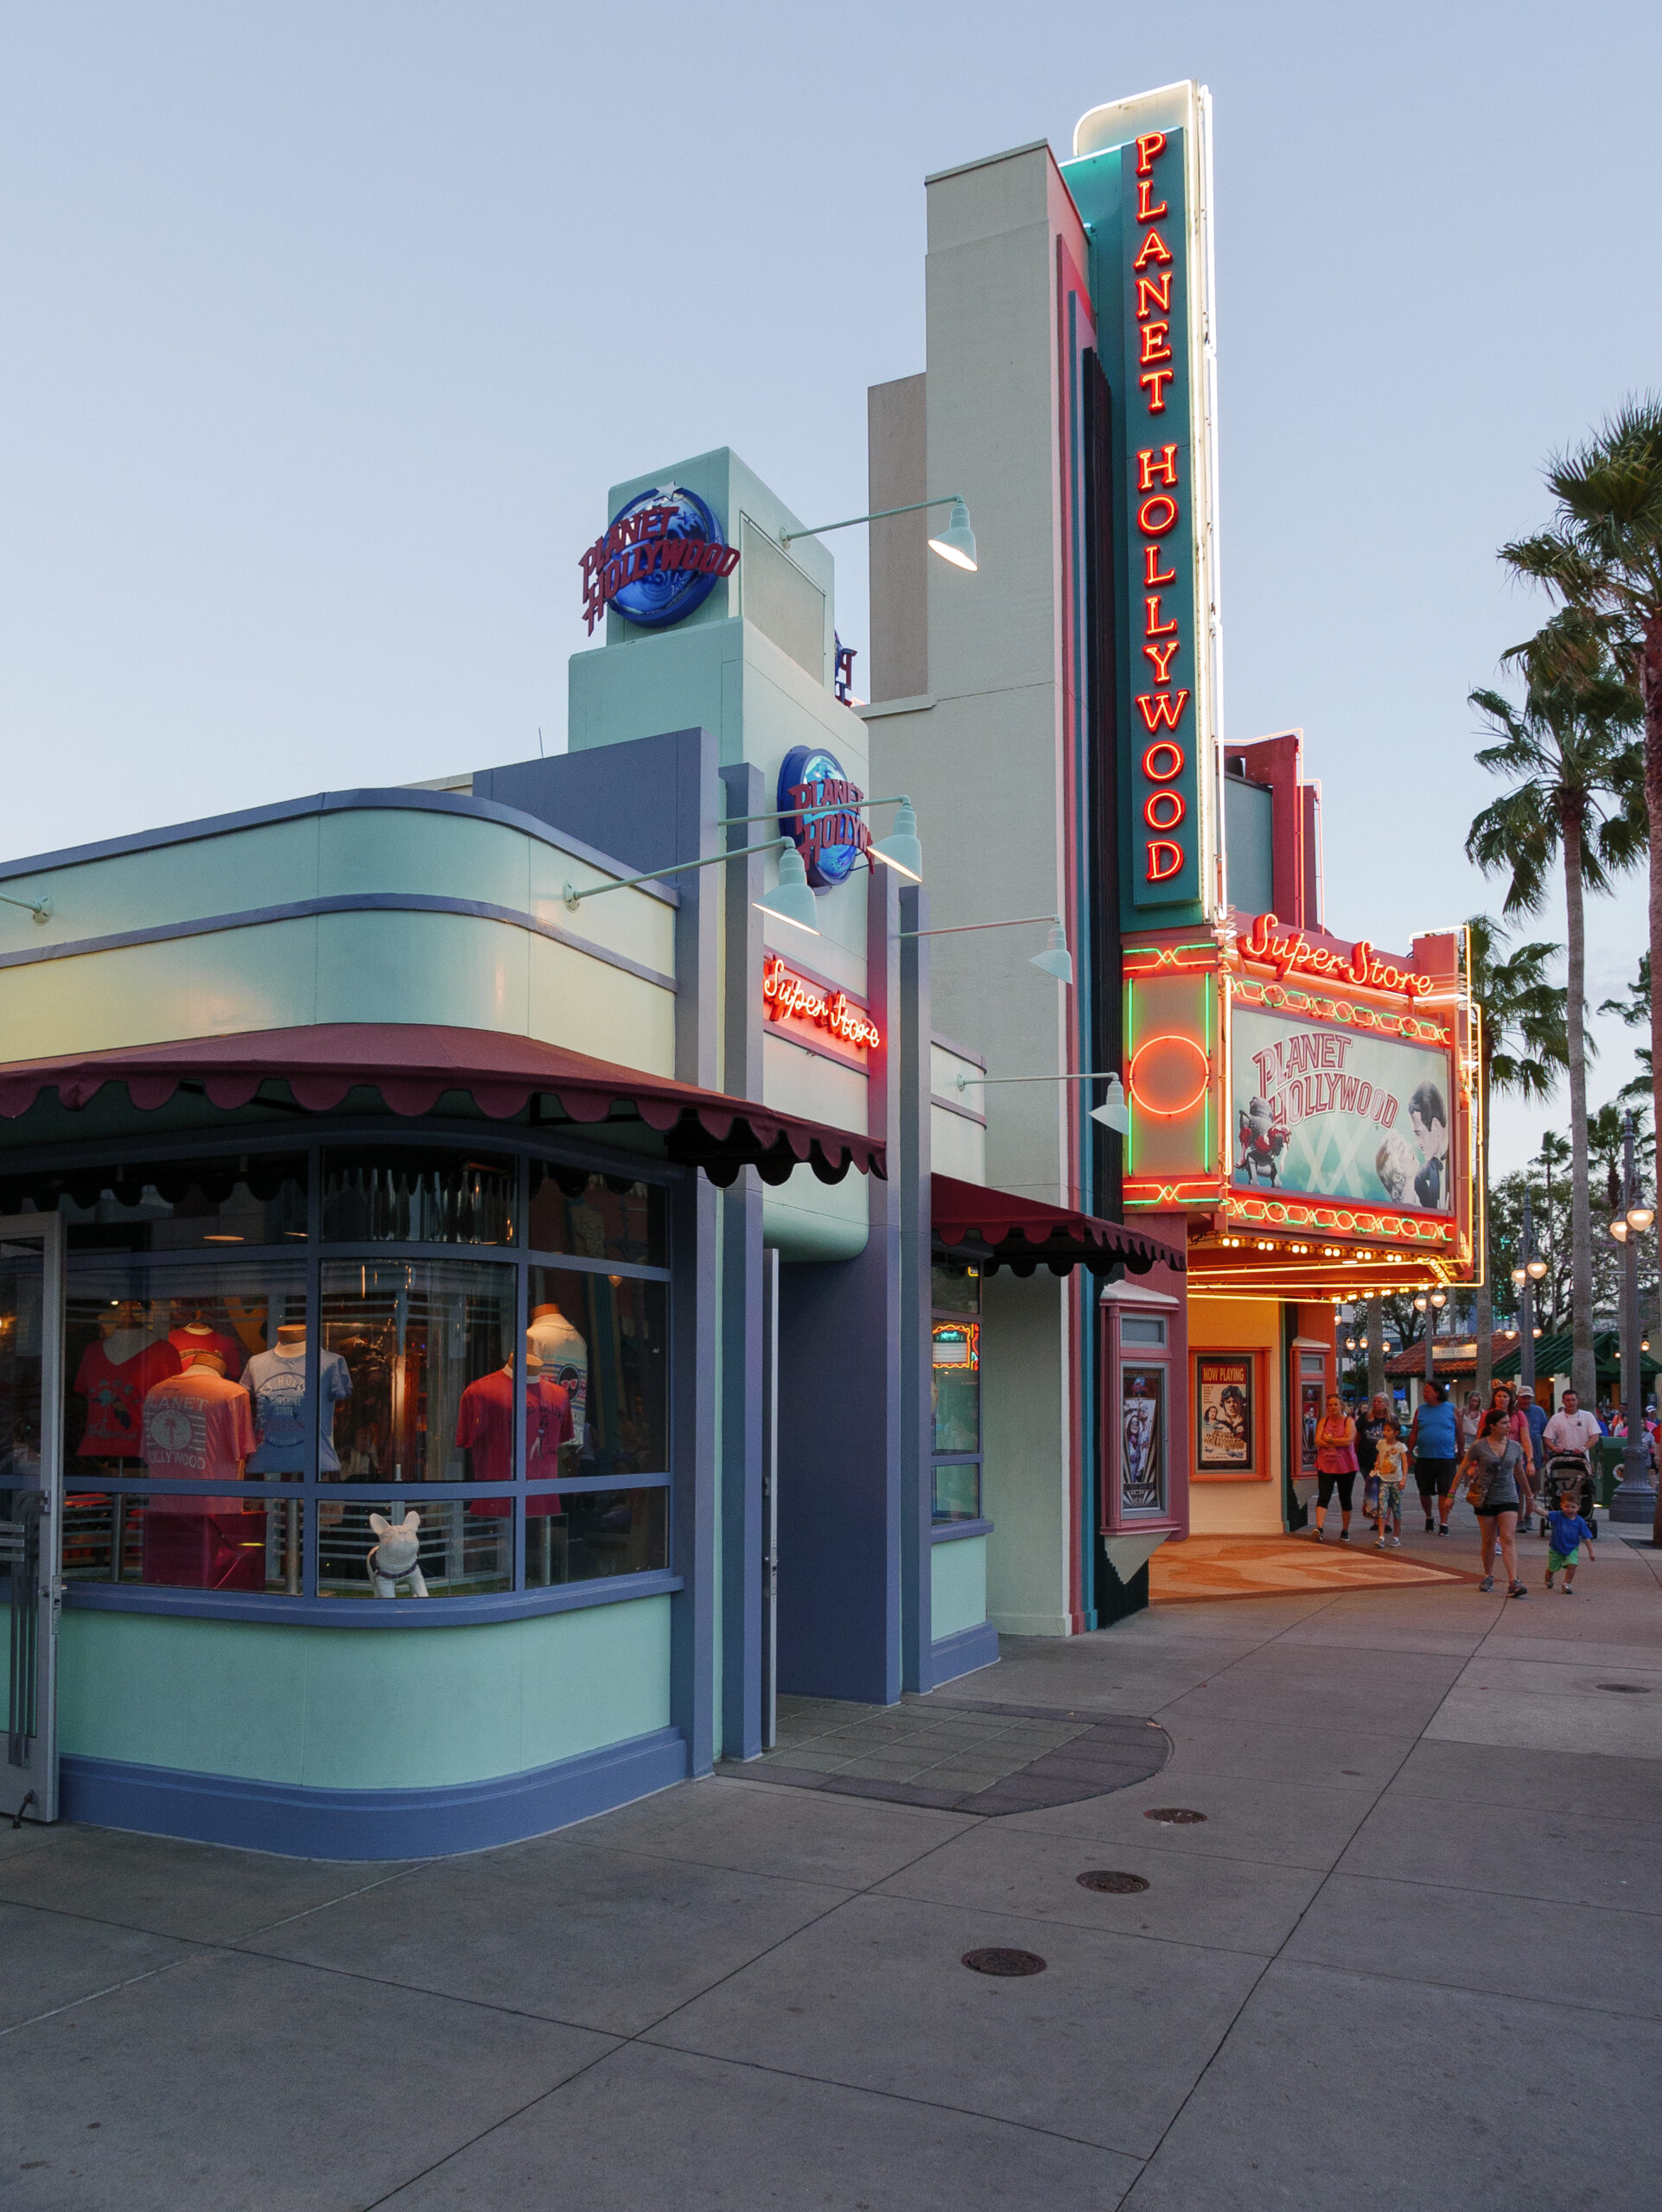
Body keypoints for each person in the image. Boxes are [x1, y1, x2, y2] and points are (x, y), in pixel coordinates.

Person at [1460, 1407, 1527, 1598]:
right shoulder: (1479, 1446)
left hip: (1508, 1496)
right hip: (1486, 1497)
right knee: (1489, 1539)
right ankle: (1488, 1575)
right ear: (1493, 1426)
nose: (1509, 1426)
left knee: (1508, 1538)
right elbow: (1463, 1468)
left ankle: (1514, 1581)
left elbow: (1519, 1472)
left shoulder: (1515, 1447)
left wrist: (1529, 1496)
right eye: (1504, 1423)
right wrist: (1450, 1495)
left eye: (1509, 1422)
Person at [1407, 1380, 1460, 1535]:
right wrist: (1409, 1452)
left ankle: (1444, 1522)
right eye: (1424, 1391)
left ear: (1437, 1393)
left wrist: (1461, 1453)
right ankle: (1429, 1517)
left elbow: (1460, 1432)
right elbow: (1414, 1432)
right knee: (1424, 1491)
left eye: (1427, 1391)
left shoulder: (1451, 1409)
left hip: (1446, 1457)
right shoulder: (1421, 1410)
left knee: (1446, 1491)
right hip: (1424, 1457)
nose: (1424, 1394)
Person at [1543, 1388, 1602, 1522]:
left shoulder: (1587, 1416)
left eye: (1573, 1400)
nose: (1571, 1403)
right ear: (1563, 1401)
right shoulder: (1556, 1419)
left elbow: (1595, 1436)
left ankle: (1582, 1511)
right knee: (1561, 1488)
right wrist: (1555, 1448)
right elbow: (1547, 1438)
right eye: (1568, 1400)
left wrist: (1583, 1448)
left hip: (1581, 1460)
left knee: (1581, 1489)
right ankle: (1560, 1508)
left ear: (1578, 1401)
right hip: (1561, 1461)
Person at [1312, 1392, 1359, 1541]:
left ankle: (1345, 1529)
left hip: (1346, 1465)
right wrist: (1336, 1441)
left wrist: (1331, 1440)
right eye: (1330, 1405)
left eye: (1336, 1404)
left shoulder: (1348, 1421)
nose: (1333, 1407)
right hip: (1326, 1464)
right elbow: (1318, 1441)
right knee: (1324, 1495)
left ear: (1341, 1406)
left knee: (1345, 1497)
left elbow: (1348, 1440)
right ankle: (1319, 1528)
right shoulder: (1323, 1422)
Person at [1544, 1486, 1596, 1594]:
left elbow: (1586, 1537)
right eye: (1566, 1506)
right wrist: (1535, 1508)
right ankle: (1548, 1577)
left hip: (1572, 1548)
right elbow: (1545, 1514)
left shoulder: (1580, 1522)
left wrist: (1591, 1551)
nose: (1570, 1509)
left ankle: (1567, 1584)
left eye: (1573, 1507)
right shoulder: (1558, 1516)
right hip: (1556, 1548)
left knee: (1573, 1564)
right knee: (1552, 1568)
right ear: (1561, 1506)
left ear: (1578, 1508)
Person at [1372, 1418, 1409, 1548]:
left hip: (1396, 1481)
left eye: (1388, 1430)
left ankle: (1396, 1536)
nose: (1385, 1432)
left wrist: (1404, 1478)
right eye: (1385, 1430)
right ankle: (1381, 1536)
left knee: (1396, 1509)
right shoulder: (1381, 1443)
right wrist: (1377, 1463)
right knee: (1382, 1507)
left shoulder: (1400, 1447)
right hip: (1383, 1480)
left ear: (1396, 1432)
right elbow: (1379, 1455)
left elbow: (1404, 1463)